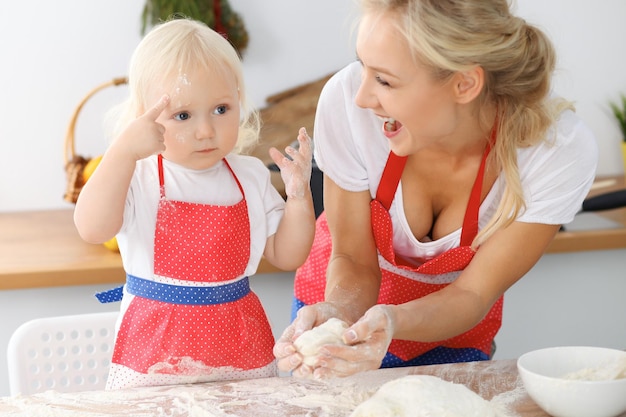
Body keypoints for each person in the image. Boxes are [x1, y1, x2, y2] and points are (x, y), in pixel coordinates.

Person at [274, 0, 598, 379]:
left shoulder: (555, 149)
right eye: (363, 66)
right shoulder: (347, 103)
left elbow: (472, 294)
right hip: (341, 302)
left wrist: (392, 320)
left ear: (465, 83)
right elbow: (354, 259)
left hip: (453, 336)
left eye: (384, 80)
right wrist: (339, 314)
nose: (362, 97)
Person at [74, 18, 316, 389]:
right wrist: (121, 152)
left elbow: (287, 255)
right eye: (183, 115)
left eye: (221, 109)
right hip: (155, 355)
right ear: (145, 118)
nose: (205, 130)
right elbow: (92, 228)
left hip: (240, 348)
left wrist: (298, 197)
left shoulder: (249, 176)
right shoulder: (138, 175)